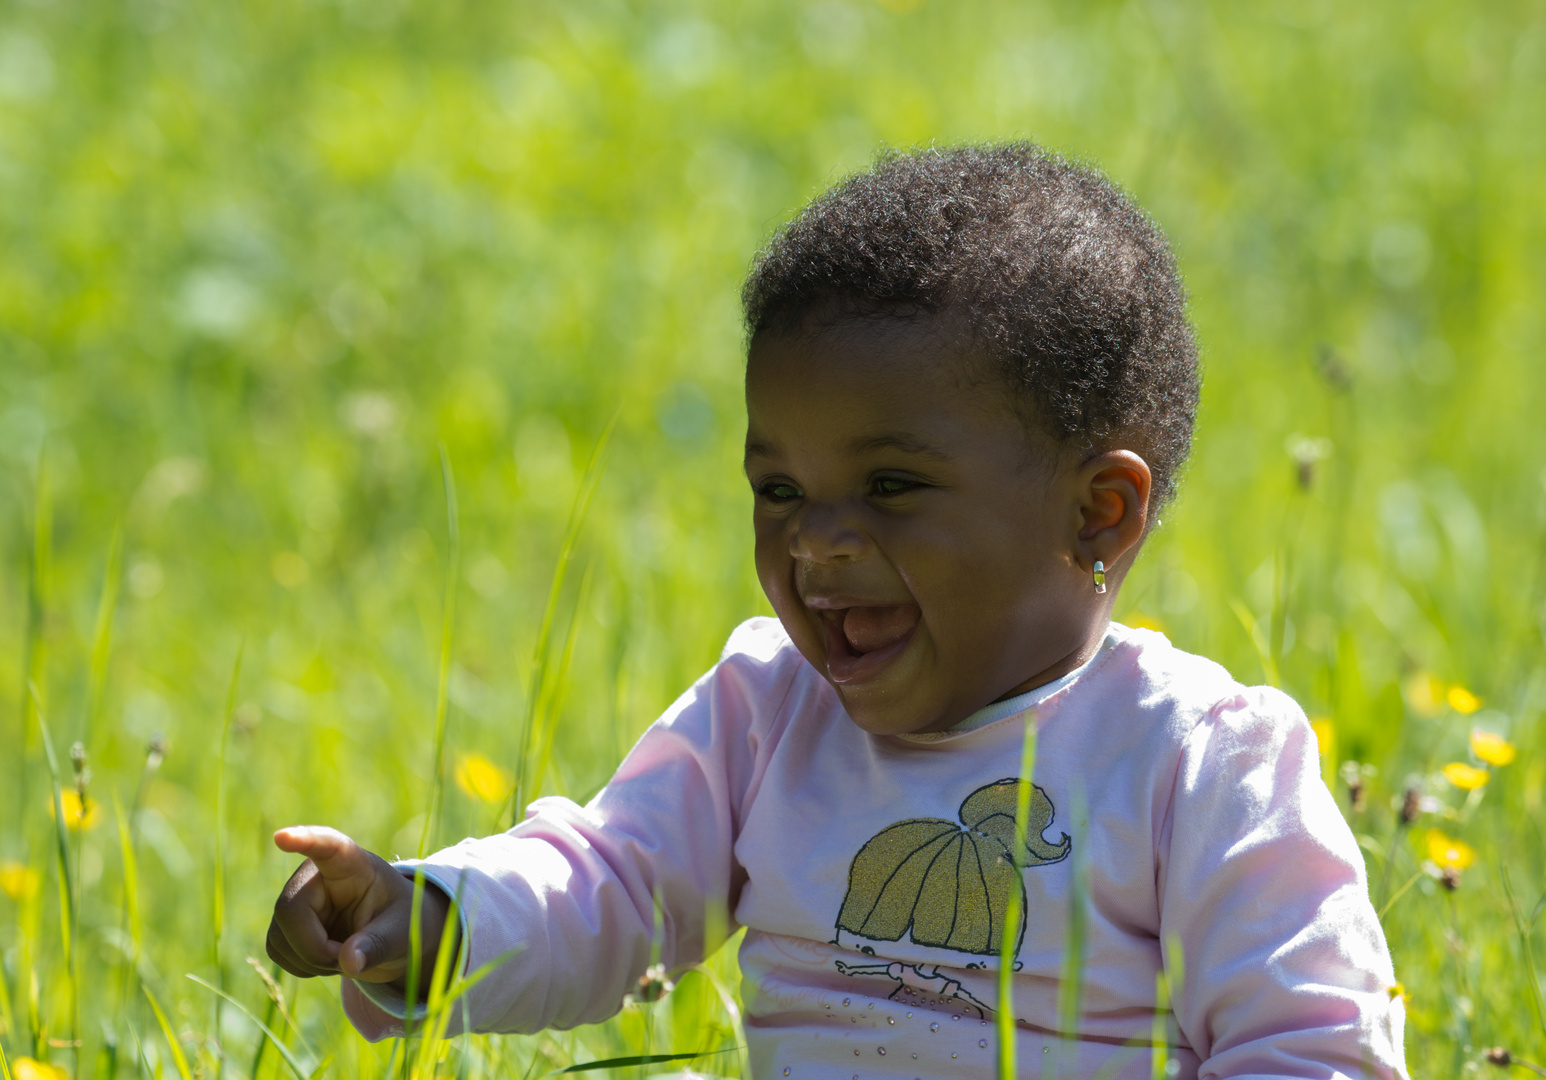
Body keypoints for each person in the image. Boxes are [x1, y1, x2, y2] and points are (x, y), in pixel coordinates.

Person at [265, 143, 1408, 1078]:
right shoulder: (765, 713)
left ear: (1098, 515)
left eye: (892, 486)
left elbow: (1311, 1048)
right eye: (780, 491)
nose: (815, 539)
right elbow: (608, 882)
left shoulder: (1198, 767)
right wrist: (427, 920)